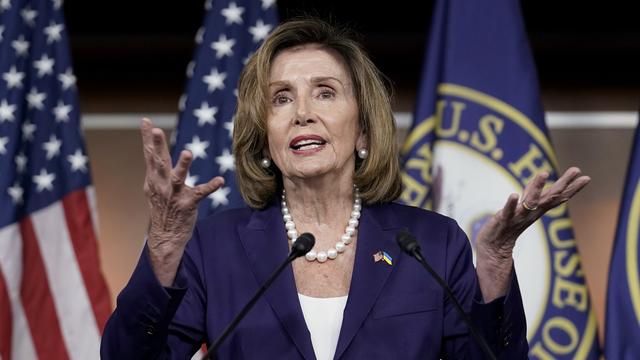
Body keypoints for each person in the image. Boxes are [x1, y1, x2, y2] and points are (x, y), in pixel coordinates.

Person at [100, 18, 590, 359]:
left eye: (325, 92)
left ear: (362, 131)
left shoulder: (432, 245)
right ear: (266, 136)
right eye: (281, 98)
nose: (302, 112)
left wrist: (497, 262)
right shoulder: (215, 247)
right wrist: (163, 247)